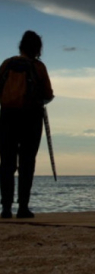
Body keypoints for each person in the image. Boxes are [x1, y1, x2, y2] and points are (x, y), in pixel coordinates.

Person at [0, 31, 54, 218]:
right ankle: (23, 207)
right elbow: (48, 93)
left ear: (21, 46)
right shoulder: (38, 67)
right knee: (27, 162)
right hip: (31, 117)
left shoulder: (7, 64)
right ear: (38, 49)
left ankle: (5, 208)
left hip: (7, 117)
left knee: (6, 163)